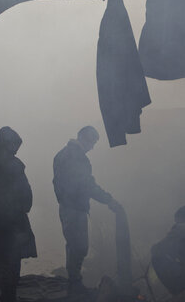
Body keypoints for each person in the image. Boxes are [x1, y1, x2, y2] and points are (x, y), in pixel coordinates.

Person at [52, 126, 121, 294]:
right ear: (83, 138)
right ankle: (75, 283)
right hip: (75, 209)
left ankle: (73, 280)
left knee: (72, 244)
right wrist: (108, 200)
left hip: (67, 207)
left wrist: (64, 201)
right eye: (92, 141)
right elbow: (88, 185)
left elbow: (57, 183)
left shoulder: (61, 154)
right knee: (80, 246)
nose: (92, 146)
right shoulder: (77, 158)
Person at [0, 127, 37, 302]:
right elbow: (27, 199)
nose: (15, 149)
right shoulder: (15, 166)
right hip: (10, 228)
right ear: (7, 143)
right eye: (13, 145)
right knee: (10, 272)